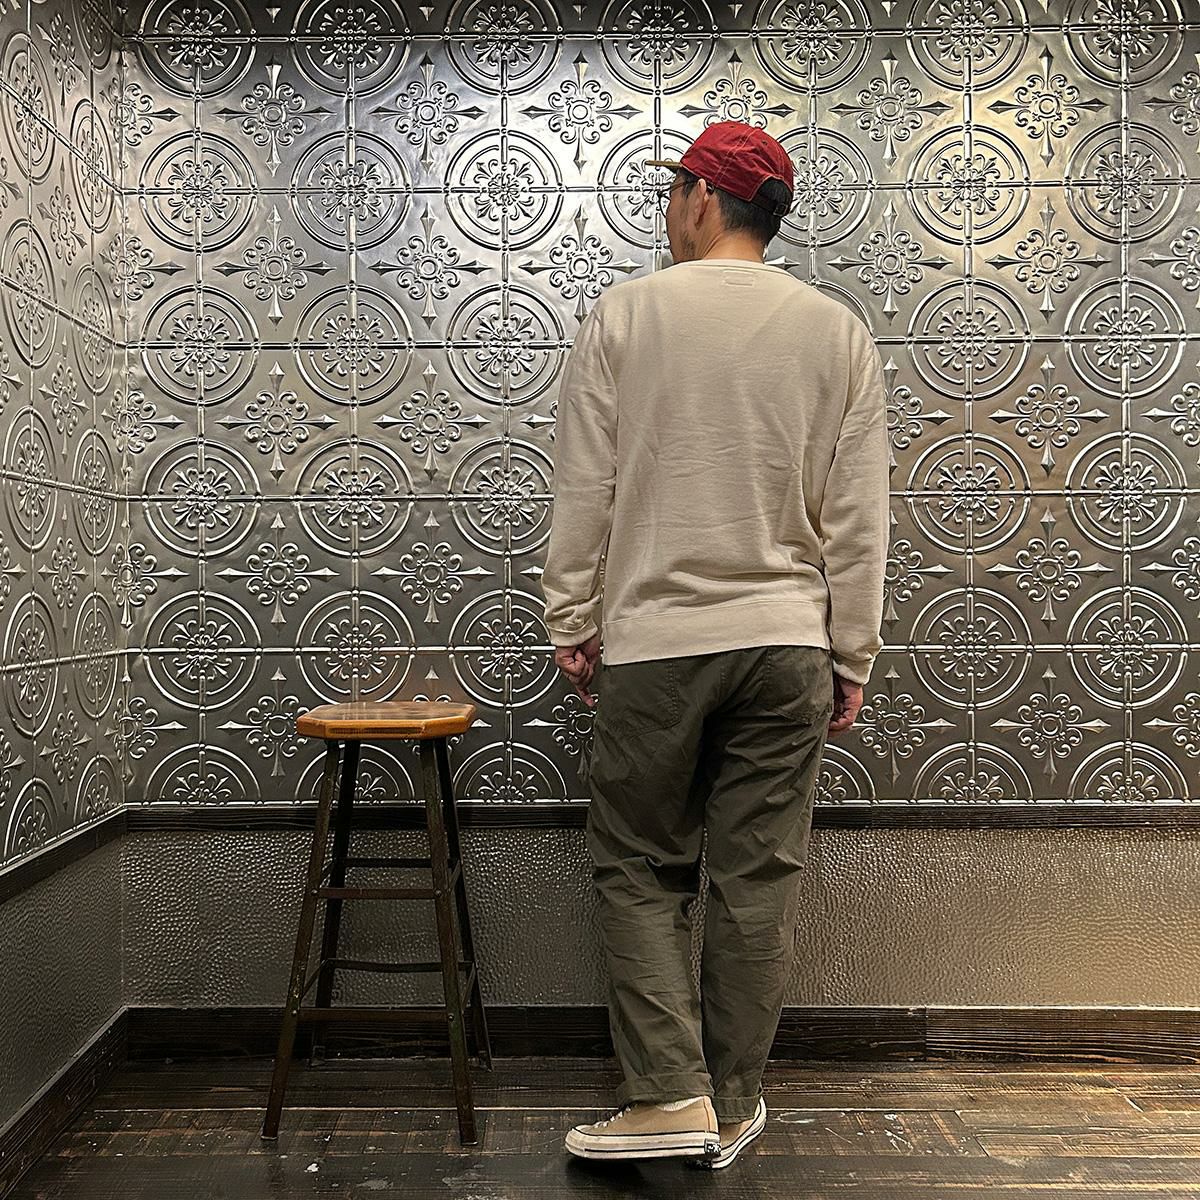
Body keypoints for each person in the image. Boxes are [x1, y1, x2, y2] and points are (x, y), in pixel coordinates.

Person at [540, 120, 888, 1170]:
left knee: (639, 865)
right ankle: (732, 1105)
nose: (668, 212)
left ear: (699, 198)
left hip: (658, 641)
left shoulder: (625, 315)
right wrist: (852, 654)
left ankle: (666, 1096)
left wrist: (572, 618)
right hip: (788, 644)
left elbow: (586, 485)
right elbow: (858, 519)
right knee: (756, 880)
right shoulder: (836, 332)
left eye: (672, 192)